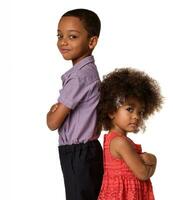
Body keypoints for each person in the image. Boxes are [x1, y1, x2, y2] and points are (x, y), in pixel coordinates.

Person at [46, 8, 103, 200]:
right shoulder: (88, 72)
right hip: (87, 151)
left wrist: (50, 112)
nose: (63, 41)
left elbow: (53, 122)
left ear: (92, 41)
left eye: (72, 36)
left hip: (79, 154)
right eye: (60, 35)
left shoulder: (79, 77)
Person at [97, 68, 163, 200]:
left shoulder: (116, 140)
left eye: (140, 112)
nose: (136, 116)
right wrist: (154, 162)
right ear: (111, 111)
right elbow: (143, 173)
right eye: (130, 109)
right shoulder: (120, 142)